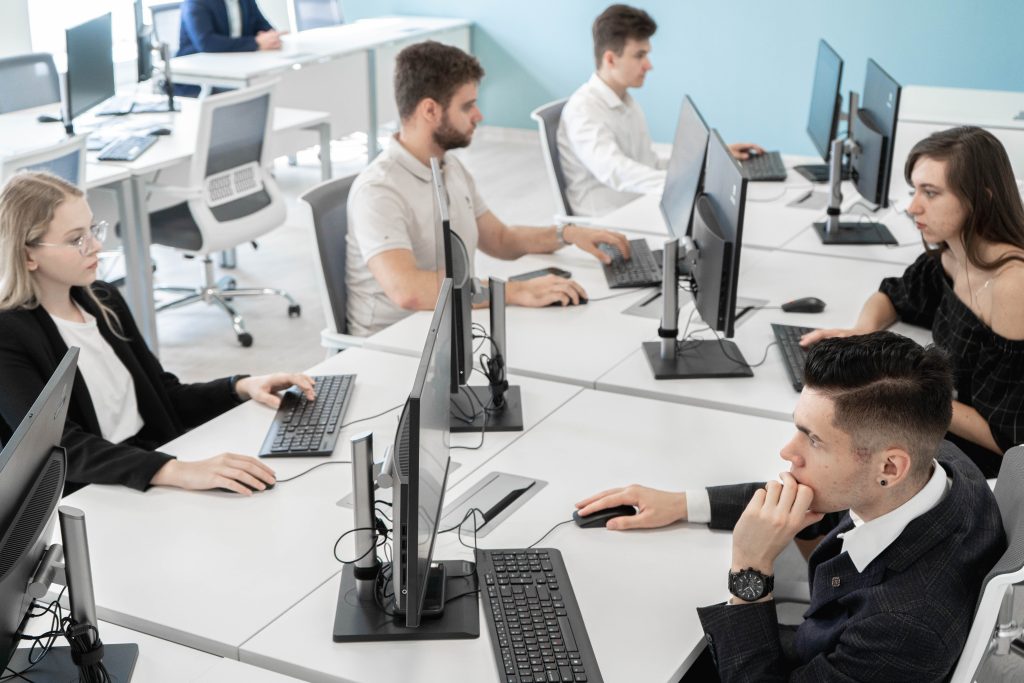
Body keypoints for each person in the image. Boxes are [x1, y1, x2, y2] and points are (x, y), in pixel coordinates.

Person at [577, 332, 1005, 682]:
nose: (787, 451)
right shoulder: (938, 464)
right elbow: (819, 489)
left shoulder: (902, 628)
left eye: (813, 440)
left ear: (889, 466)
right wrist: (684, 504)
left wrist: (750, 568)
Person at [0, 172, 313, 496]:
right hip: (94, 493)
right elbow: (58, 449)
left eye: (93, 229)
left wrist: (240, 387)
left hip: (149, 464)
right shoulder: (8, 336)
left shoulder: (102, 300)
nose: (96, 245)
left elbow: (162, 395)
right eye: (75, 239)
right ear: (27, 255)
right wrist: (175, 470)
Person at [346, 41, 632, 337]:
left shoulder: (449, 166)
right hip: (392, 343)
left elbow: (500, 238)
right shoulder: (379, 190)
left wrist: (568, 233)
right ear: (430, 110)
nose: (478, 115)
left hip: (448, 327)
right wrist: (513, 291)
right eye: (467, 106)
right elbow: (409, 291)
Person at [801, 126, 1024, 478]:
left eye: (930, 193)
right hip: (941, 424)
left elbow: (1008, 439)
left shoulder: (1013, 286)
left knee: (836, 458)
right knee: (824, 441)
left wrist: (909, 396)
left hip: (984, 464)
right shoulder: (953, 254)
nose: (912, 207)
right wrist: (861, 332)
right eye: (914, 190)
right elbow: (895, 295)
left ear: (981, 199)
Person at [557, 4, 764, 216]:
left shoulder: (628, 103)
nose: (648, 65)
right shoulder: (583, 110)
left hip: (639, 205)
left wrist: (711, 159)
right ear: (610, 59)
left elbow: (650, 164)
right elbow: (615, 170)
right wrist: (689, 184)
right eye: (639, 55)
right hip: (608, 219)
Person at [175, 0, 284, 96]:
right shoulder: (196, 2)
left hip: (236, 66)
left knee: (273, 80)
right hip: (199, 77)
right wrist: (255, 42)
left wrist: (272, 38)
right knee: (255, 90)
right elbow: (207, 43)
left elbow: (264, 27)